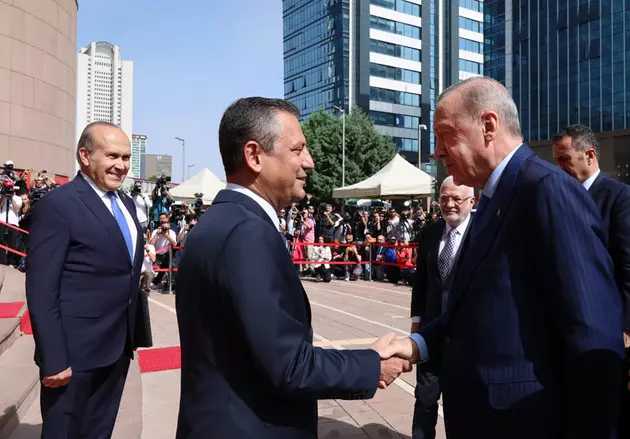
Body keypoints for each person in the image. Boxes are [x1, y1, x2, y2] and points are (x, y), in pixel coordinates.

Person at [381, 77, 624, 439]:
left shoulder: (546, 191)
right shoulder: (494, 199)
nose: (437, 152)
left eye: (445, 135)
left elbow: (593, 337)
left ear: (489, 126)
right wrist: (415, 344)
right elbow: (472, 309)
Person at [174, 97, 412, 439]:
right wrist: (372, 365)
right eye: (297, 149)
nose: (309, 161)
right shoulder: (247, 234)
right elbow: (289, 364)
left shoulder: (218, 222)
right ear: (254, 156)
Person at [25, 121, 148, 438]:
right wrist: (54, 357)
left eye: (126, 157)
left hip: (117, 347)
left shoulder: (127, 204)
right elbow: (42, 289)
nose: (121, 165)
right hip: (73, 354)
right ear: (85, 155)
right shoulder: (58, 205)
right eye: (112, 156)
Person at [551, 124, 630, 437]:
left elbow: (627, 265)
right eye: (556, 161)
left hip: (607, 332)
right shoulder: (559, 197)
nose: (560, 167)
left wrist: (626, 326)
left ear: (590, 155)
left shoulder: (618, 197)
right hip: (566, 330)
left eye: (565, 159)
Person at [409, 176, 474, 439]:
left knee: (463, 404)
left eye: (457, 198)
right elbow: (421, 281)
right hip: (430, 333)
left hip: (468, 336)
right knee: (425, 399)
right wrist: (416, 322)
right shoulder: (430, 232)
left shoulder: (484, 232)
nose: (450, 204)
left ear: (472, 201)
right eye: (444, 198)